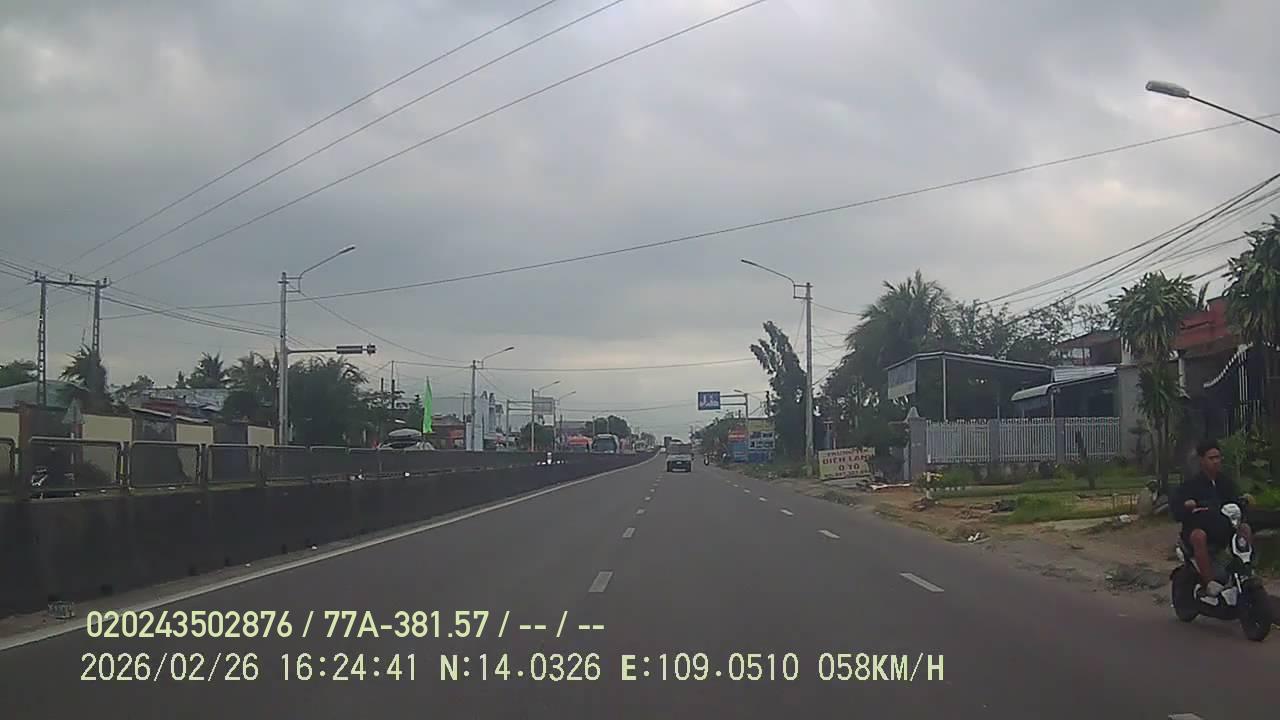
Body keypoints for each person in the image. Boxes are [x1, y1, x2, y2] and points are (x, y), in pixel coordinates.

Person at [1172, 439, 1253, 596]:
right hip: (1200, 528)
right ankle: (1209, 583)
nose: (1216, 461)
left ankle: (1246, 569)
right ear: (1201, 460)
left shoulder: (1226, 482)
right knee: (1198, 536)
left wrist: (1245, 500)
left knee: (1245, 529)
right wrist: (1187, 505)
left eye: (1218, 457)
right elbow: (1176, 510)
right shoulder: (1190, 484)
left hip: (1223, 528)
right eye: (1211, 458)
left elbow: (1235, 501)